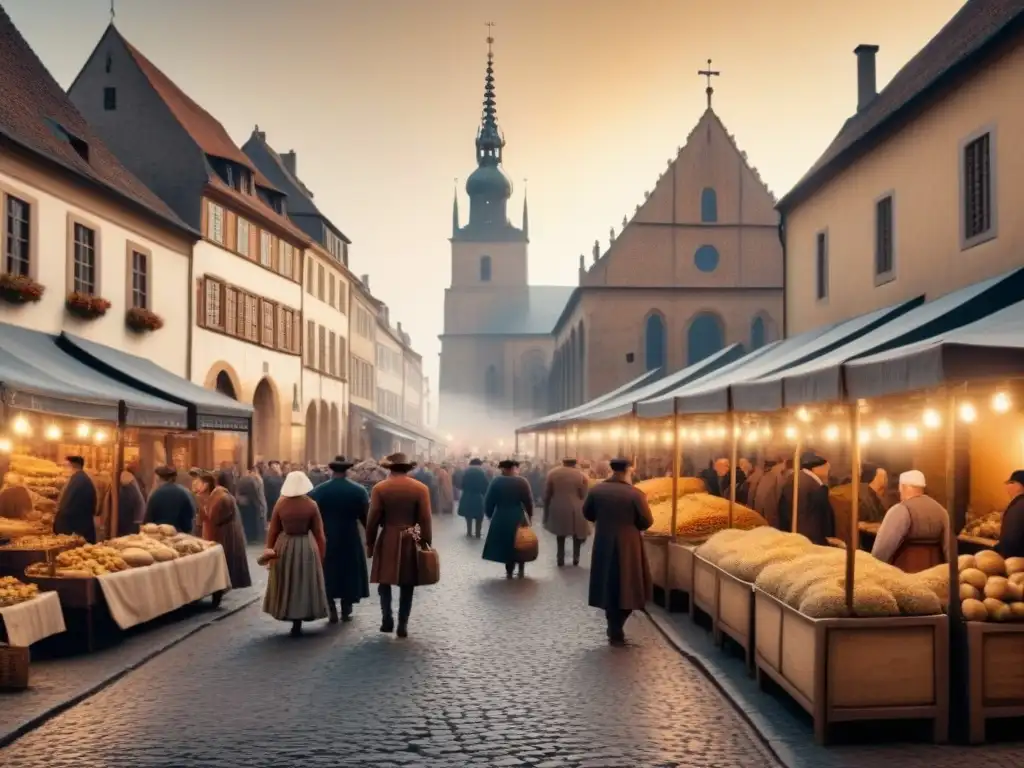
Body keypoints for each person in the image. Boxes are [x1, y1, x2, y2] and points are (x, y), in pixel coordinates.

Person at [583, 457, 653, 645]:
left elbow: (587, 513)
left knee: (607, 582)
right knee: (627, 582)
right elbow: (646, 521)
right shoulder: (635, 494)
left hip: (604, 540)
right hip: (628, 543)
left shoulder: (597, 490)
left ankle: (612, 624)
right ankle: (618, 625)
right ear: (628, 471)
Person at [366, 453, 432, 638]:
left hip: (388, 535)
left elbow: (373, 518)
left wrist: (370, 542)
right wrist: (425, 543)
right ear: (407, 469)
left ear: (390, 469)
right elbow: (425, 519)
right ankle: (403, 624)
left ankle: (387, 618)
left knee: (383, 581)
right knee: (407, 583)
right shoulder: (421, 488)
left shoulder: (380, 488)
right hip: (411, 536)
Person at [263, 470, 329, 636]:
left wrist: (269, 549)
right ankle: (301, 614)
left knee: (287, 579)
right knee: (303, 580)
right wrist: (321, 555)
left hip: (284, 545)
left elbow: (273, 530)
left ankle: (289, 612)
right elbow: (319, 534)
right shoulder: (311, 505)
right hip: (305, 545)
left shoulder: (280, 503)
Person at [308, 456, 370, 624]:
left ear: (331, 471)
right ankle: (346, 607)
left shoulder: (319, 490)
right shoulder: (359, 490)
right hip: (350, 536)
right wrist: (370, 538)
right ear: (347, 471)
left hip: (327, 535)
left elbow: (311, 515)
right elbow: (366, 517)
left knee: (329, 571)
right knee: (349, 571)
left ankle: (330, 606)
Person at [871, 470, 949, 571]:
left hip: (905, 576)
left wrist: (874, 569)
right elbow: (949, 551)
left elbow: (881, 551)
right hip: (935, 575)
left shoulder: (901, 510)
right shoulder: (942, 511)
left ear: (902, 487)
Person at [482, 459, 535, 579]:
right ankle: (521, 567)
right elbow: (528, 501)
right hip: (518, 515)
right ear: (514, 469)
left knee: (507, 543)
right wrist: (530, 516)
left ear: (503, 469)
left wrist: (490, 515)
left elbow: (489, 501)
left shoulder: (496, 482)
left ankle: (509, 569)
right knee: (521, 541)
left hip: (501, 516)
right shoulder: (522, 482)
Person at [200, 472, 252, 593]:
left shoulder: (221, 497)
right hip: (226, 533)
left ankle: (223, 586)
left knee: (227, 562)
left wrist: (203, 510)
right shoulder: (219, 495)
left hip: (225, 534)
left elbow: (215, 518)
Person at [778, 451, 834, 545]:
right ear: (816, 468)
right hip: (810, 540)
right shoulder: (815, 486)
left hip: (791, 535)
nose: (828, 473)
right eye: (826, 469)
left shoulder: (793, 479)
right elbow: (822, 519)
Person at [543, 457, 590, 567]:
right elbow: (583, 494)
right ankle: (576, 558)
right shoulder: (581, 475)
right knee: (577, 534)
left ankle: (560, 558)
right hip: (576, 508)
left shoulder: (552, 474)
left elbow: (547, 494)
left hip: (558, 506)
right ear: (575, 464)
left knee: (560, 534)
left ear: (563, 463)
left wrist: (546, 510)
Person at [54, 456, 97, 543]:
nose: (63, 469)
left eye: (65, 466)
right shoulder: (80, 478)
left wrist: (58, 524)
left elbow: (67, 506)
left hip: (76, 529)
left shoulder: (78, 480)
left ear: (72, 465)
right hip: (81, 525)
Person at [145, 465, 196, 534]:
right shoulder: (184, 493)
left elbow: (148, 519)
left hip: (159, 536)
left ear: (158, 478)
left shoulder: (155, 494)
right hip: (179, 536)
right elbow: (189, 517)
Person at [458, 458, 489, 538]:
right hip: (478, 496)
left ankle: (469, 532)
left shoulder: (466, 472)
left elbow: (462, 484)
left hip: (467, 495)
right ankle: (478, 532)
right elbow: (485, 485)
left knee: (468, 515)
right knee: (479, 515)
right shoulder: (482, 473)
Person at [235, 467, 267, 544]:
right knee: (252, 522)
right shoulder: (253, 480)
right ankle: (253, 538)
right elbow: (256, 494)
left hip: (242, 503)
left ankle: (247, 537)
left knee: (245, 521)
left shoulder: (241, 479)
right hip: (251, 503)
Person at [996, 470, 1024, 558]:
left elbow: (1012, 539)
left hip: (1016, 561)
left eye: (1011, 483)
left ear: (1019, 485)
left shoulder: (1019, 505)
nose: (1007, 487)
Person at [116, 470, 145, 537]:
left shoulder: (127, 490)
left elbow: (125, 510)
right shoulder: (134, 487)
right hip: (136, 521)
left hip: (130, 524)